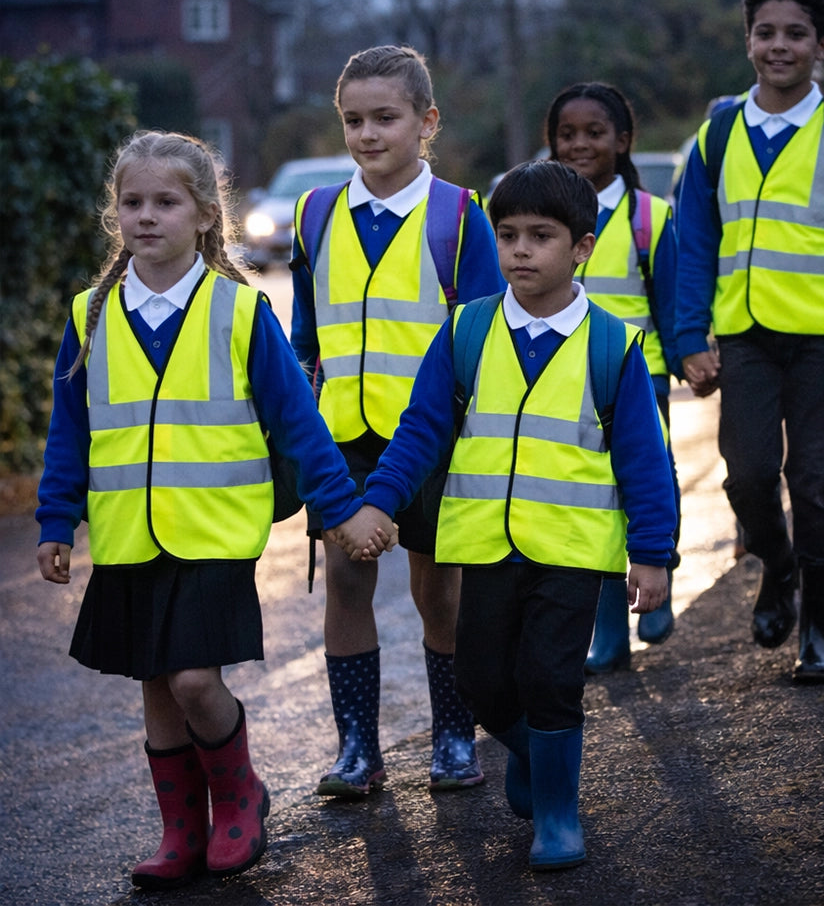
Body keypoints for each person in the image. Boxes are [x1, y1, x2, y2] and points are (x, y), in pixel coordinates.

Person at [35, 131, 393, 891]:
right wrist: (55, 520)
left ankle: (239, 796)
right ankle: (181, 831)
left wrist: (342, 511)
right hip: (130, 535)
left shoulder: (240, 310)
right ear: (115, 215)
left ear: (204, 215)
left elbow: (300, 423)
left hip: (216, 534)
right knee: (157, 688)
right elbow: (70, 428)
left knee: (195, 680)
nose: (146, 215)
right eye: (132, 202)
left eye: (165, 201)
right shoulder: (90, 315)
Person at [343, 159, 674, 869]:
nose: (521, 250)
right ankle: (539, 756)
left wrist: (653, 552)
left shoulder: (613, 346)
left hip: (572, 553)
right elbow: (419, 434)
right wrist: (377, 501)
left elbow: (645, 462)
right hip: (486, 546)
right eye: (508, 234)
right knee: (482, 681)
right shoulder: (465, 332)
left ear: (582, 247)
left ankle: (558, 814)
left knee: (552, 680)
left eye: (542, 236)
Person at [675, 0, 824, 682]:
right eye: (766, 32)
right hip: (743, 336)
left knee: (814, 482)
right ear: (749, 42)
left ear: (821, 46)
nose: (780, 46)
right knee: (746, 478)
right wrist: (688, 336)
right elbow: (693, 243)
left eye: (796, 34)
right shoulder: (715, 136)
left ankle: (821, 628)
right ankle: (779, 569)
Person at [289, 44, 505, 799]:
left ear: (426, 120)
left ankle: (453, 735)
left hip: (437, 440)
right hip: (341, 437)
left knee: (437, 591)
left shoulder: (461, 215)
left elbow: (481, 343)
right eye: (353, 120)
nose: (367, 134)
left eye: (385, 117)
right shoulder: (313, 214)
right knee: (347, 580)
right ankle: (358, 750)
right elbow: (305, 341)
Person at [544, 81, 681, 672]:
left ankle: (659, 585)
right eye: (566, 134)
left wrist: (688, 357)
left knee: (647, 485)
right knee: (592, 503)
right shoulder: (542, 212)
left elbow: (672, 301)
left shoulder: (650, 217)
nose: (579, 144)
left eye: (594, 133)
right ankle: (608, 632)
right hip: (562, 381)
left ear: (623, 141)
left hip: (640, 380)